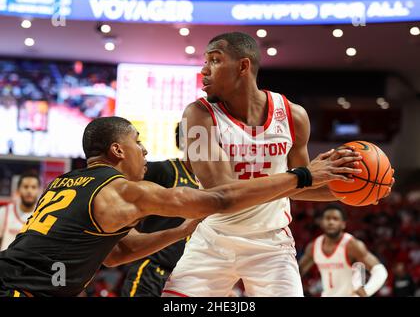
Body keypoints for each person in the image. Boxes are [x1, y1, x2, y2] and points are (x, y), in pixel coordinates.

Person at [0, 116, 361, 297]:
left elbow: (116, 253)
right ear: (118, 151)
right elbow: (220, 199)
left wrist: (181, 230)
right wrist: (302, 176)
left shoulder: (65, 182)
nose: (145, 150)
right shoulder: (124, 190)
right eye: (138, 142)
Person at [162, 32, 393, 297]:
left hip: (271, 244)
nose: (203, 70)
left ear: (243, 66)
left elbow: (300, 187)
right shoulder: (198, 115)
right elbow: (222, 194)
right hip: (213, 239)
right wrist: (302, 176)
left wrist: (361, 192)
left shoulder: (293, 116)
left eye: (214, 60)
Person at [121, 124, 199, 297]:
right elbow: (117, 188)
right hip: (152, 269)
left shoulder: (209, 184)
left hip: (184, 278)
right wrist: (125, 232)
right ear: (185, 142)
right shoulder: (166, 170)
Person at [298, 203, 388, 297]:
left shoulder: (351, 245)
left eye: (335, 219)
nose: (331, 222)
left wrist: (366, 292)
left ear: (343, 224)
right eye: (328, 218)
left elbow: (380, 271)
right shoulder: (314, 246)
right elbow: (296, 273)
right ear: (321, 222)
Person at [0, 173, 41, 251]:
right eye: (25, 187)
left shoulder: (42, 215)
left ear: (39, 191)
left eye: (33, 187)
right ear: (18, 190)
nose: (29, 191)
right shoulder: (4, 212)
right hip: (6, 261)